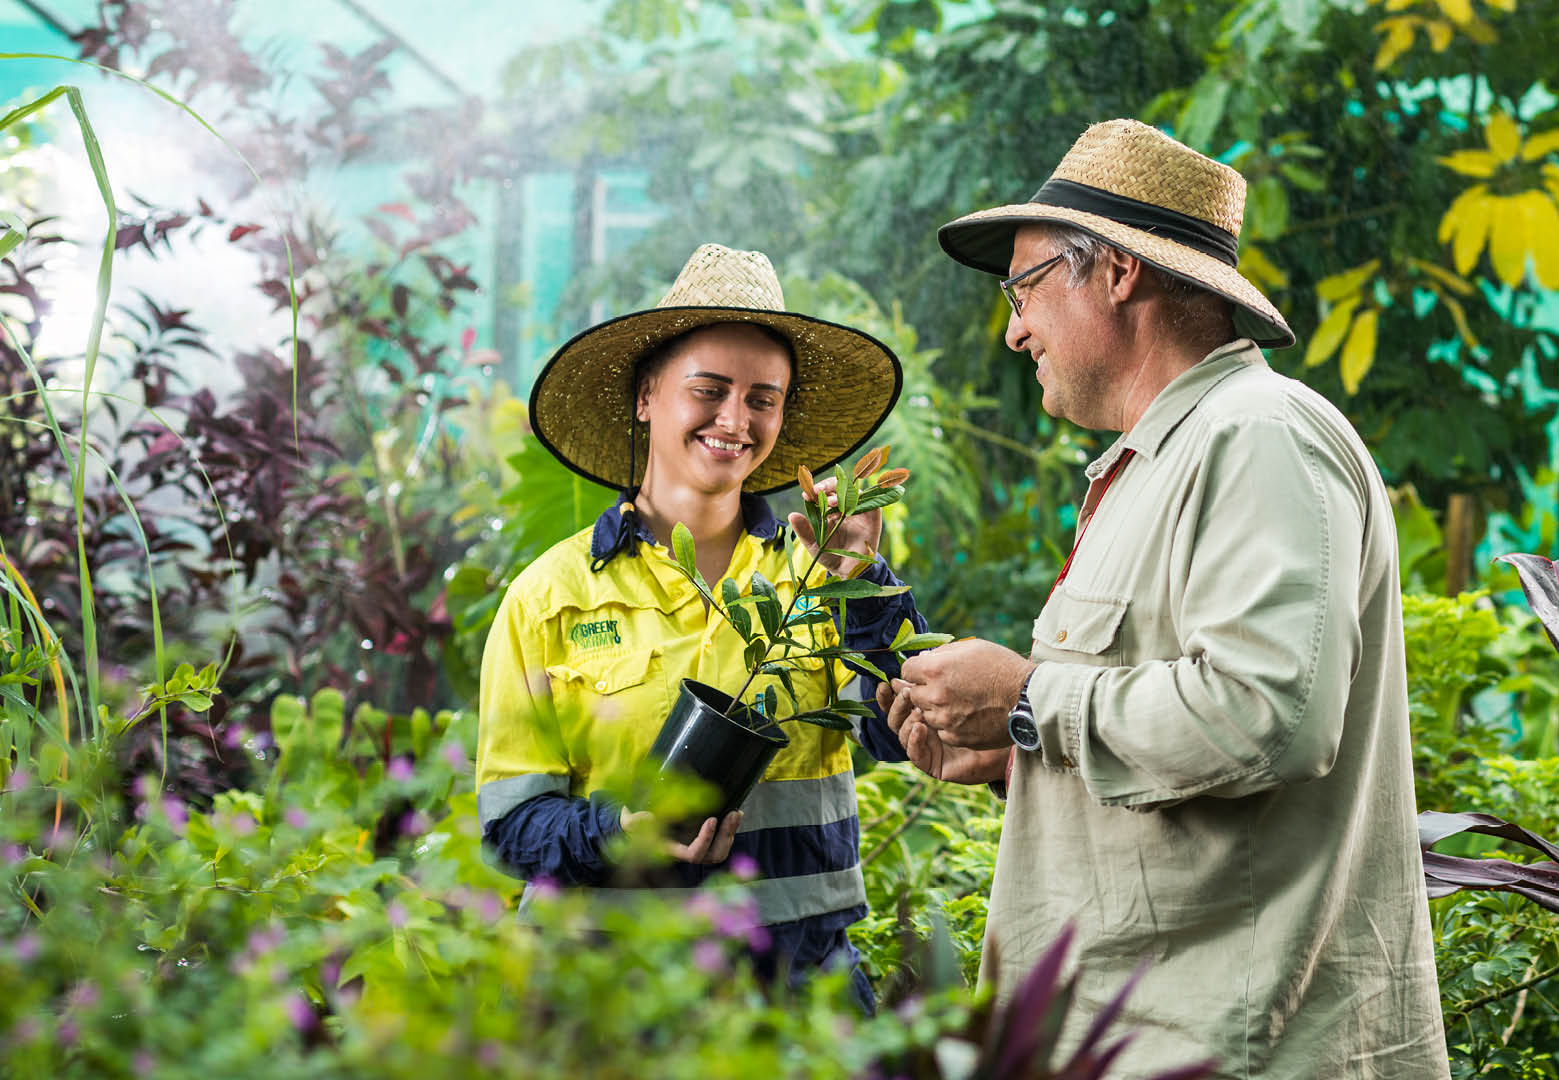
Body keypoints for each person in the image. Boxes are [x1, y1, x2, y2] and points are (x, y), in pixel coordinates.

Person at [882, 120, 1449, 1076]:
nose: (1014, 327)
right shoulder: (1166, 455)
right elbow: (1192, 762)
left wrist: (1029, 699)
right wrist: (1016, 753)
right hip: (1138, 1038)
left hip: (1232, 1048)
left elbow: (1270, 719)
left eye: (1024, 288)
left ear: (1117, 274)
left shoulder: (1259, 435)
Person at [475, 243, 926, 1010]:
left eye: (763, 398)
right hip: (607, 996)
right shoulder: (550, 596)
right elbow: (513, 826)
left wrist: (860, 590)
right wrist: (622, 829)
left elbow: (899, 732)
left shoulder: (814, 571)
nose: (735, 419)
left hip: (798, 993)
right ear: (648, 395)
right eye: (709, 390)